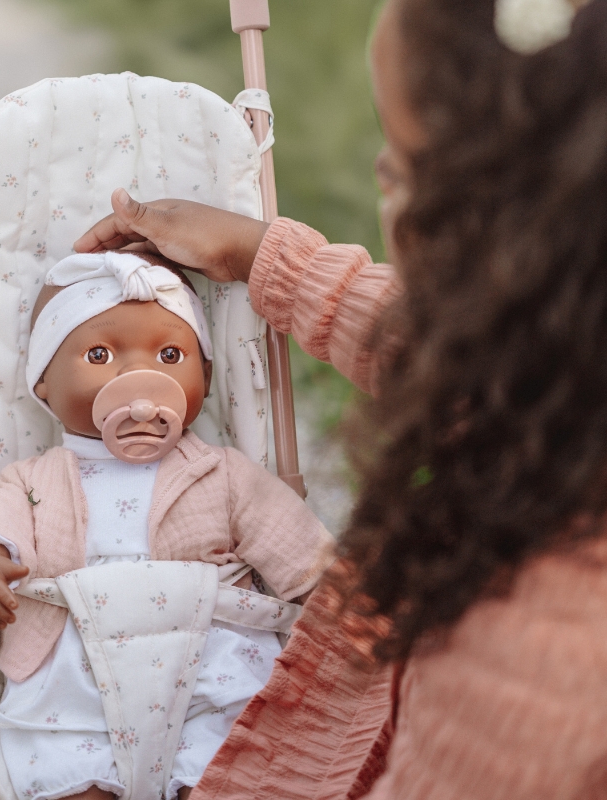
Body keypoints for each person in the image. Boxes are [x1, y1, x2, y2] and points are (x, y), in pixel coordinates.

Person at [72, 0, 607, 796]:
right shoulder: (559, 370)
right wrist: (262, 255)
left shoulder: (526, 660)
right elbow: (430, 343)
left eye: (397, 169)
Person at [0, 249, 334, 800]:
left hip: (208, 665)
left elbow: (292, 541)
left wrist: (336, 597)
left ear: (203, 376)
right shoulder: (33, 479)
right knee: (65, 765)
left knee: (233, 754)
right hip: (75, 682)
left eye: (170, 353)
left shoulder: (220, 472)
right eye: (100, 353)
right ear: (44, 387)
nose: (138, 374)